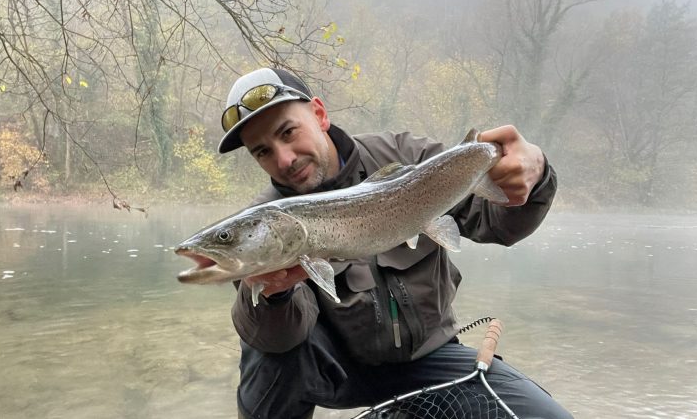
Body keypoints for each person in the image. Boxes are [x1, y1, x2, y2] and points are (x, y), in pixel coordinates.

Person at [218, 67, 572, 419]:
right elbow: (279, 340)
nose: (284, 159)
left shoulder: (406, 157)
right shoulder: (259, 226)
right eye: (263, 152)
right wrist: (274, 295)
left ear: (320, 114)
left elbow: (498, 224)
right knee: (264, 348)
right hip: (335, 373)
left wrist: (535, 173)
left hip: (430, 357)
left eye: (288, 132)